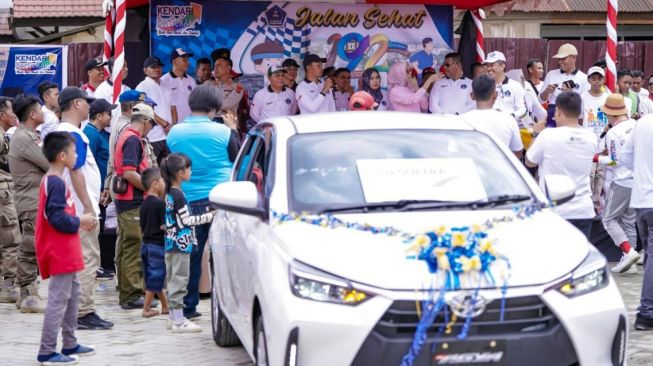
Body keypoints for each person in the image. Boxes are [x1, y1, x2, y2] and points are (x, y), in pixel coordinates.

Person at [166, 85, 240, 320]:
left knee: (191, 254)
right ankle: (230, 303)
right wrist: (234, 129)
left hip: (187, 199)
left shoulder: (174, 133)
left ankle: (188, 307)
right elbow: (238, 158)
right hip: (221, 199)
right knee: (226, 253)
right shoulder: (223, 133)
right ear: (214, 108)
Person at [36, 131, 97, 365]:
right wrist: (81, 221)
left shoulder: (56, 179)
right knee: (58, 300)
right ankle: (47, 351)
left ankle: (70, 343)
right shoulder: (54, 181)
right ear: (62, 156)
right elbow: (56, 218)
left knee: (73, 296)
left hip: (67, 249)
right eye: (73, 152)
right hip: (59, 249)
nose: (75, 156)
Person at [54, 87, 112, 330]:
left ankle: (75, 310)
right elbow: (75, 170)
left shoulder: (62, 132)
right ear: (77, 103)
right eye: (86, 102)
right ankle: (83, 312)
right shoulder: (71, 133)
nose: (90, 106)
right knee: (87, 260)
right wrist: (89, 207)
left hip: (71, 208)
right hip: (80, 209)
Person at [526, 92, 597, 238]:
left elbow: (529, 161)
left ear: (557, 111)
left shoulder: (547, 135)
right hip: (583, 210)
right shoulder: (591, 137)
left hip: (556, 212)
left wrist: (535, 134)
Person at [161, 153, 214, 333]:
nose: (191, 172)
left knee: (174, 280)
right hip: (180, 245)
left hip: (171, 243)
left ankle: (174, 318)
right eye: (188, 169)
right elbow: (187, 220)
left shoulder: (170, 193)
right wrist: (210, 216)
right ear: (180, 172)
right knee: (180, 281)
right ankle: (178, 321)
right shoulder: (179, 195)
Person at [8, 94, 48, 313]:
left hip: (36, 198)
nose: (43, 113)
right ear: (32, 114)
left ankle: (28, 291)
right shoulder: (24, 137)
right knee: (30, 245)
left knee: (35, 244)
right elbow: (48, 163)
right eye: (40, 109)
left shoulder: (30, 135)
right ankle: (28, 293)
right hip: (30, 200)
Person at [114, 103, 155, 310]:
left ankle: (128, 291)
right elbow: (130, 173)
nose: (152, 128)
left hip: (128, 200)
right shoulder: (132, 138)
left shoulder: (128, 135)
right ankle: (130, 295)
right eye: (152, 124)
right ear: (146, 121)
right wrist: (151, 190)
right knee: (133, 247)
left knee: (127, 246)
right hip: (133, 201)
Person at [596, 93, 640, 274]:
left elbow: (615, 160)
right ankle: (631, 262)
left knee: (609, 219)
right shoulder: (636, 125)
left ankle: (628, 251)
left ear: (611, 114)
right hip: (637, 181)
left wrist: (597, 158)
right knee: (629, 221)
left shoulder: (613, 133)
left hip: (621, 181)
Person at [620, 114, 653, 330]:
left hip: (642, 199)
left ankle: (647, 312)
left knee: (650, 255)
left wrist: (643, 173)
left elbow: (624, 158)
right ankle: (647, 312)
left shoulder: (643, 123)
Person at [461, 75, 523, 157]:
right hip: (500, 168)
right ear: (495, 95)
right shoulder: (509, 120)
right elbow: (517, 153)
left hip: (471, 168)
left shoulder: (461, 120)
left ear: (472, 95)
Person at [139, 167, 169, 318]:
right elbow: (163, 226)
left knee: (153, 276)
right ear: (155, 184)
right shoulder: (160, 204)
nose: (165, 183)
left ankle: (165, 306)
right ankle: (146, 308)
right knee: (156, 277)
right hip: (157, 245)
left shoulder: (144, 204)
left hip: (145, 244)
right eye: (163, 181)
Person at [0, 97, 20, 304]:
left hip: (5, 192)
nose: (14, 115)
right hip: (3, 196)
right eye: (11, 111)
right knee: (11, 239)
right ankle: (7, 287)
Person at [539, 43, 588, 127]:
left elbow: (584, 103)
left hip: (572, 113)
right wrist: (547, 91)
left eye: (563, 59)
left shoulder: (584, 78)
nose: (560, 62)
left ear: (574, 58)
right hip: (553, 112)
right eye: (559, 59)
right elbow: (540, 100)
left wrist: (570, 95)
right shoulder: (551, 74)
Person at [136, 56, 173, 163]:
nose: (157, 69)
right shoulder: (142, 87)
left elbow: (172, 107)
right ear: (145, 70)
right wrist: (164, 124)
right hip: (152, 136)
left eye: (159, 67)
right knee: (152, 171)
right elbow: (144, 110)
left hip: (168, 135)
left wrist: (172, 125)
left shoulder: (165, 85)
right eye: (153, 67)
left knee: (167, 171)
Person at [483, 51, 527, 122]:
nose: (488, 69)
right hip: (489, 127)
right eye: (487, 66)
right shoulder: (484, 86)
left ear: (502, 66)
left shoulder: (515, 86)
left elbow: (523, 110)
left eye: (492, 65)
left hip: (508, 127)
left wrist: (510, 116)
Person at [160, 48, 197, 124]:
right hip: (171, 126)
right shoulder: (163, 81)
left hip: (189, 125)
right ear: (174, 62)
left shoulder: (192, 81)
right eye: (184, 60)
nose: (188, 63)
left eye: (188, 60)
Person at [94, 58, 131, 127]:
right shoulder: (102, 90)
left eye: (126, 66)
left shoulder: (127, 89)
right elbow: (98, 117)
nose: (127, 69)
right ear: (114, 68)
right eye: (123, 66)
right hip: (109, 134)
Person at [581, 66, 610, 141]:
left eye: (599, 79)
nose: (596, 81)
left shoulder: (608, 97)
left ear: (604, 80)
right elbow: (580, 118)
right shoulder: (582, 97)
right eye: (593, 79)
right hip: (587, 138)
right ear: (588, 80)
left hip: (604, 138)